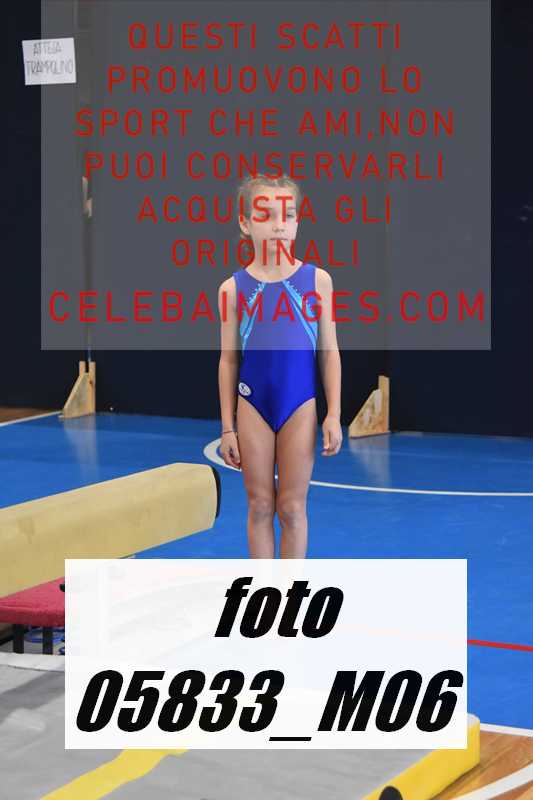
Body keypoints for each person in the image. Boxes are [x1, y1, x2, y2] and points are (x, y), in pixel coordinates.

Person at [218, 173, 342, 558]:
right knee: (259, 506)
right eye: (266, 215)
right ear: (245, 223)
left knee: (291, 508)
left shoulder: (317, 281)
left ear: (297, 223)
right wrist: (227, 427)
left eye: (287, 215)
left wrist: (334, 414)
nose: (278, 225)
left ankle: (290, 594)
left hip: (299, 404)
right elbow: (228, 359)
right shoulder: (233, 289)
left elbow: (329, 351)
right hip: (253, 404)